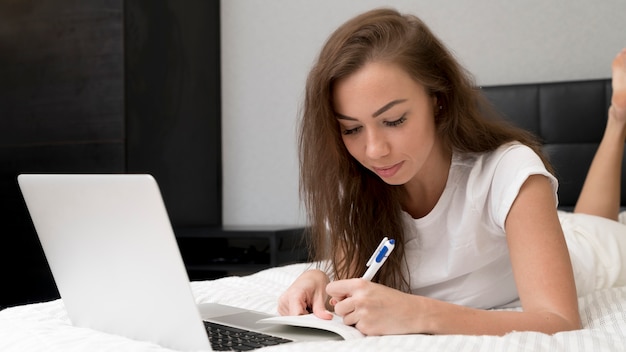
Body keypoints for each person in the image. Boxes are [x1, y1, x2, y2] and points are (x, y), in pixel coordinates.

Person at [277, 8, 626, 336]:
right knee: (578, 221)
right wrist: (322, 279)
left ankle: (617, 118)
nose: (374, 150)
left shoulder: (508, 171)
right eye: (351, 129)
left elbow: (560, 320)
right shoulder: (354, 184)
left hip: (588, 249)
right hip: (533, 226)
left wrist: (418, 313)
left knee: (596, 227)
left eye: (394, 120)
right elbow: (353, 280)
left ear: (438, 99)